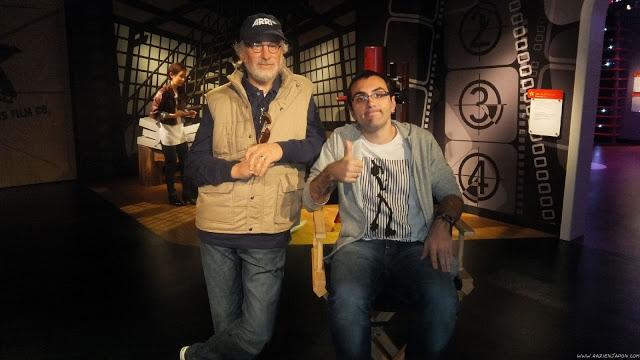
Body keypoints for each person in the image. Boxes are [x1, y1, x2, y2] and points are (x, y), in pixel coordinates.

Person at [181, 13, 325, 360]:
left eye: (273, 44)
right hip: (217, 228)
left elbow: (316, 142)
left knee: (255, 333)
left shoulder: (303, 90)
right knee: (226, 328)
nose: (265, 53)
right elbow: (194, 166)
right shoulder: (216, 99)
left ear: (283, 50)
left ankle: (194, 356)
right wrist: (236, 169)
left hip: (269, 224)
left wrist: (280, 149)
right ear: (241, 51)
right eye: (255, 44)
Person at [303, 70, 463, 360]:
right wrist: (330, 173)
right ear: (352, 109)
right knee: (348, 302)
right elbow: (310, 200)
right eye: (360, 98)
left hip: (416, 246)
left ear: (392, 103)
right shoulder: (341, 140)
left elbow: (451, 194)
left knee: (443, 301)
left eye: (378, 94)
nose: (370, 103)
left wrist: (442, 224)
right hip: (360, 246)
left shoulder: (420, 141)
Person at [150, 62, 198, 206]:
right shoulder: (162, 92)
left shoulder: (182, 91)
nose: (184, 79)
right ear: (171, 75)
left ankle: (187, 194)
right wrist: (172, 115)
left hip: (179, 131)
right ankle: (172, 196)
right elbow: (154, 114)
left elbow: (179, 111)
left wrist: (187, 113)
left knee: (185, 164)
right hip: (167, 133)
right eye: (181, 76)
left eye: (185, 77)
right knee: (171, 166)